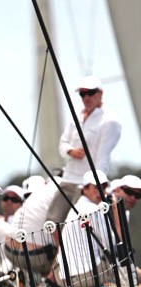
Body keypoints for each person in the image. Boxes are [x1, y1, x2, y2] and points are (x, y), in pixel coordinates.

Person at [46, 75, 121, 226]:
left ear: (100, 93)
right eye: (82, 93)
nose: (86, 97)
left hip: (85, 184)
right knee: (52, 222)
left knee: (75, 223)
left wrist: (96, 185)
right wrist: (70, 151)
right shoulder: (76, 117)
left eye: (90, 92)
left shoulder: (110, 120)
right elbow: (62, 144)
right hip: (68, 178)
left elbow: (103, 158)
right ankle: (58, 250)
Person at [54, 169, 111, 287]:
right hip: (88, 277)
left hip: (65, 280)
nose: (100, 190)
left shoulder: (77, 207)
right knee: (117, 259)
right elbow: (110, 245)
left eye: (104, 186)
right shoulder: (93, 209)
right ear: (84, 189)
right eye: (96, 187)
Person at [5, 176, 62, 276]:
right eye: (26, 197)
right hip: (35, 253)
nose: (30, 199)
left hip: (10, 249)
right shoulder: (55, 192)